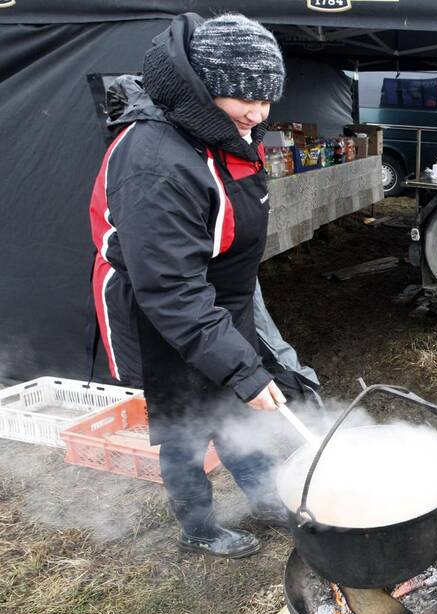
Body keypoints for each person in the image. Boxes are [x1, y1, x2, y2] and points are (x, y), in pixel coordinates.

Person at [88, 13, 290, 557]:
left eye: (268, 99)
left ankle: (266, 497)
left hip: (216, 301)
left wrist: (244, 365)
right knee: (184, 420)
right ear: (202, 89)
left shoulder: (221, 131)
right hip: (164, 311)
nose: (259, 113)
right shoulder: (156, 162)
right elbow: (171, 287)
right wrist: (243, 368)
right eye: (244, 98)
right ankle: (198, 527)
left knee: (234, 402)